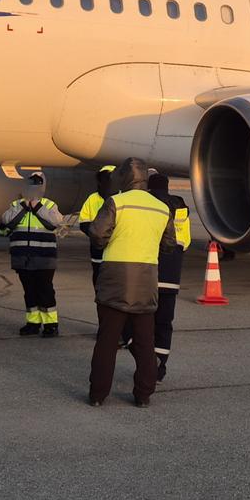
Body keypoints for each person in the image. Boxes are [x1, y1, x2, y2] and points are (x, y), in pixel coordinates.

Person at [86, 157, 176, 408]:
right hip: (146, 283)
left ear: (125, 177)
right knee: (145, 342)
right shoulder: (160, 207)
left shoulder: (116, 202)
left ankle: (98, 395)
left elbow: (97, 233)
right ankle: (143, 394)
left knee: (107, 341)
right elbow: (169, 244)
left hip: (115, 281)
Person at [1, 173, 66, 337]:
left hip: (44, 257)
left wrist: (37, 207)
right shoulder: (17, 204)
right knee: (29, 291)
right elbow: (6, 220)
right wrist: (23, 206)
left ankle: (51, 324)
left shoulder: (49, 205)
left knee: (45, 290)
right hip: (22, 257)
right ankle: (33, 323)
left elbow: (55, 222)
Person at [145, 171, 190, 379]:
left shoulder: (147, 204)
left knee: (143, 322)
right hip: (171, 275)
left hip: (148, 273)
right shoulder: (180, 207)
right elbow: (185, 242)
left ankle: (144, 364)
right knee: (164, 323)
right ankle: (160, 368)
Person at [78, 165, 117, 293]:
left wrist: (96, 234)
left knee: (101, 279)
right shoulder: (120, 198)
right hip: (109, 248)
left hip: (100, 247)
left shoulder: (93, 198)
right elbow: (83, 223)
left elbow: (84, 223)